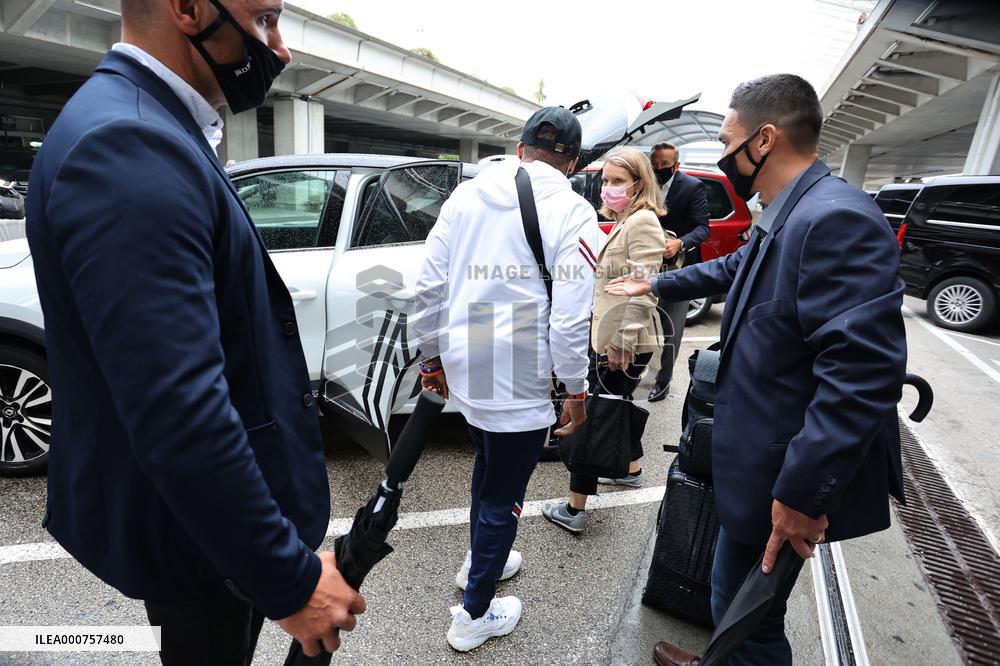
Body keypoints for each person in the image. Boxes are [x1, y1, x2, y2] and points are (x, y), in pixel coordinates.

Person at [25, 1, 365, 663]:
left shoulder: (143, 123)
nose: (280, 49)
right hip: (194, 537)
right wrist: (289, 580)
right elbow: (179, 411)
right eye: (265, 19)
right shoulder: (126, 144)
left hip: (197, 527)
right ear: (187, 9)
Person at [606, 74, 906, 666]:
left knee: (753, 618)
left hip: (784, 475)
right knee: (731, 594)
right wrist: (656, 281)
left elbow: (862, 376)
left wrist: (803, 494)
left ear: (763, 140)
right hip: (753, 460)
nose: (721, 152)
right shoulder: (791, 208)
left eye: (726, 138)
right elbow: (734, 267)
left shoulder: (836, 218)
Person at [411, 107, 602, 652]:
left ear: (520, 149)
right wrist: (576, 391)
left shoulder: (465, 195)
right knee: (505, 492)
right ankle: (474, 613)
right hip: (519, 372)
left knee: (488, 465)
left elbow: (428, 287)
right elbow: (569, 319)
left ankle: (481, 555)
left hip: (466, 361)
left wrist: (431, 358)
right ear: (572, 161)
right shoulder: (574, 211)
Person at [541, 147, 666, 532]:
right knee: (615, 404)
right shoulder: (628, 219)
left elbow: (644, 289)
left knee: (593, 417)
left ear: (639, 185)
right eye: (605, 181)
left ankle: (575, 509)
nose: (607, 189)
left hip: (622, 338)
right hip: (616, 334)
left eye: (617, 182)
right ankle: (630, 469)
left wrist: (623, 341)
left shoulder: (643, 222)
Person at [646, 142, 710, 403]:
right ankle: (637, 372)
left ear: (676, 164)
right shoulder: (643, 183)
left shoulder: (692, 187)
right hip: (646, 265)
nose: (659, 169)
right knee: (642, 323)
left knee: (672, 329)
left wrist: (680, 242)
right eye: (655, 165)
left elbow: (703, 229)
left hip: (679, 268)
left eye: (665, 165)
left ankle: (663, 381)